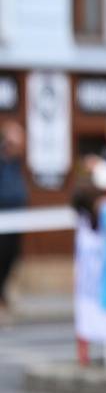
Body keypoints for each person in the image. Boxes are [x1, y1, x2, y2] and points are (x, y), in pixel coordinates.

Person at [0, 121, 28, 314]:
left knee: (12, 256)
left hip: (17, 216)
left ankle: (3, 296)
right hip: (3, 217)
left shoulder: (17, 162)